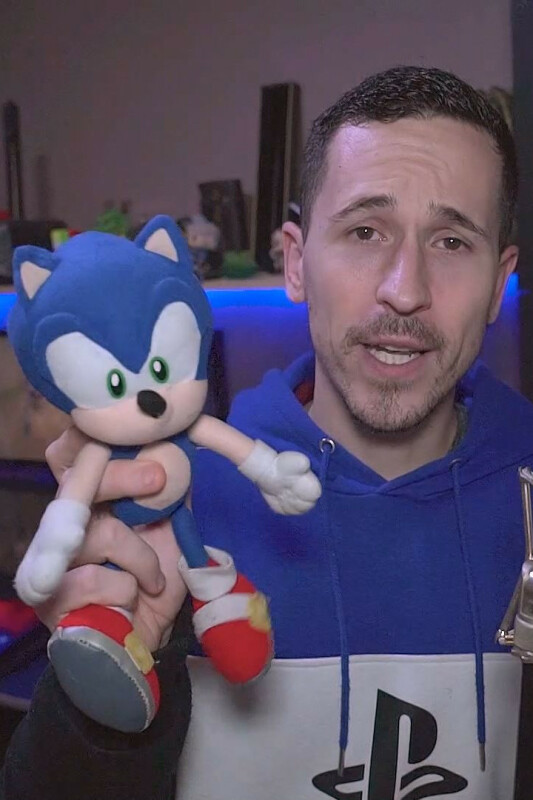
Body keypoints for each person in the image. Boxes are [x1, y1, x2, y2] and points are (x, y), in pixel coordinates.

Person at [1, 64, 530, 800]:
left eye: (450, 242)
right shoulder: (179, 500)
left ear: (499, 281)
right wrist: (107, 690)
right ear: (295, 262)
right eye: (365, 230)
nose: (404, 290)